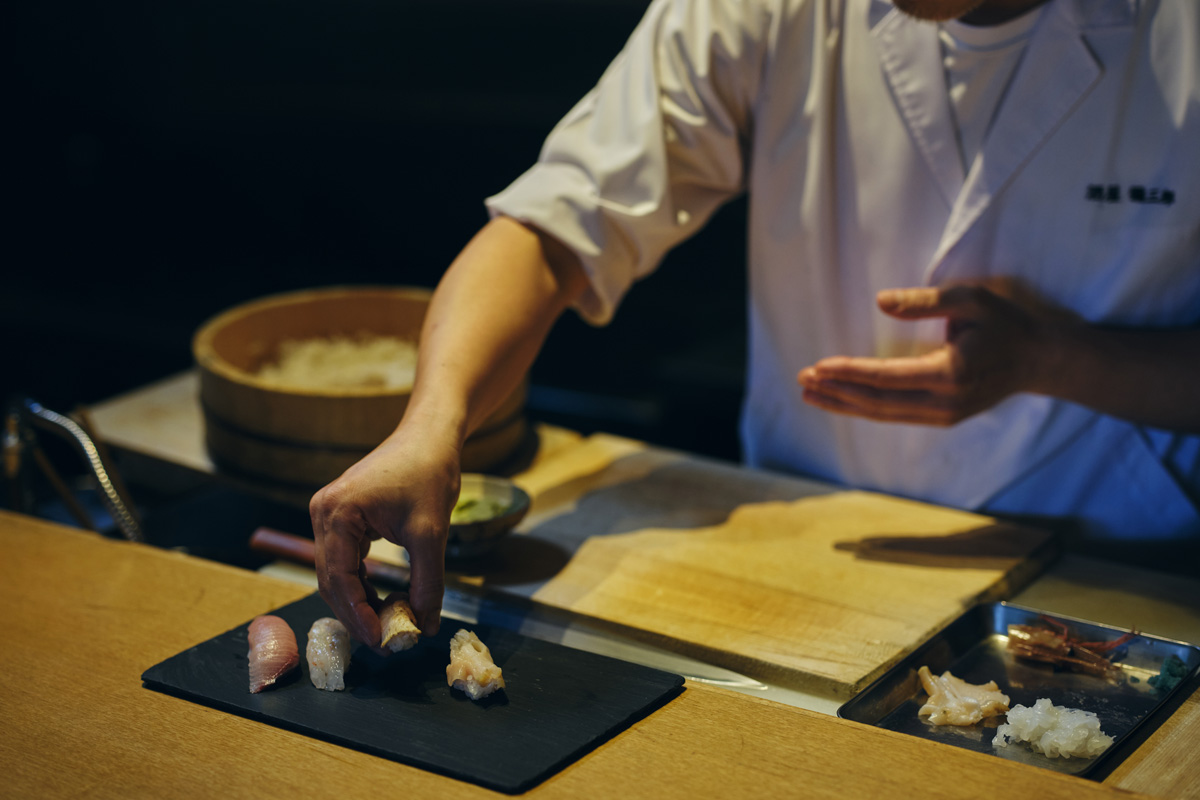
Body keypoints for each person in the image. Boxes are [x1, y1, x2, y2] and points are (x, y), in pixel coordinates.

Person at [310, 0, 1200, 648]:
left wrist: (1053, 356)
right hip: (805, 554)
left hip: (1119, 575)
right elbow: (555, 225)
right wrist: (433, 426)